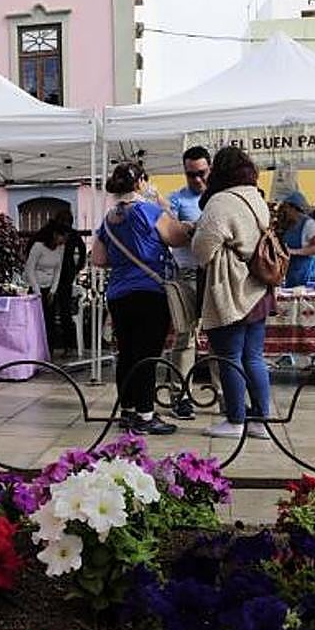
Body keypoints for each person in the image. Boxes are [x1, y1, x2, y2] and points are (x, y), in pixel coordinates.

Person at [91, 161, 194, 436]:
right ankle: (145, 416)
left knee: (126, 353)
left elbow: (98, 258)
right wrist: (171, 212)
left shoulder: (108, 219)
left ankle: (127, 411)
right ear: (140, 183)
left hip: (118, 294)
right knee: (147, 355)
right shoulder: (149, 211)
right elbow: (176, 237)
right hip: (150, 291)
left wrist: (123, 261)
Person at [191, 147, 273, 439]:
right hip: (258, 287)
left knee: (229, 357)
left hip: (231, 288)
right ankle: (261, 421)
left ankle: (236, 420)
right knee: (254, 357)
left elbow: (202, 250)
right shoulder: (256, 196)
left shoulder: (221, 201)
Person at [167, 145, 211, 416]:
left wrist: (193, 229)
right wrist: (190, 230)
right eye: (190, 174)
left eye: (201, 173)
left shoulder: (219, 198)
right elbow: (170, 233)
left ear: (210, 169)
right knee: (185, 336)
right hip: (188, 273)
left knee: (220, 338)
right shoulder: (177, 199)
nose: (196, 179)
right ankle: (180, 396)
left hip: (215, 274)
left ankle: (226, 396)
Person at [24, 224, 66, 352]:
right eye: (62, 236)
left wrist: (53, 290)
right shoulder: (38, 247)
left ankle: (49, 349)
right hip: (36, 287)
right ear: (54, 235)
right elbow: (29, 269)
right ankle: (34, 349)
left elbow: (58, 270)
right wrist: (37, 291)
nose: (64, 239)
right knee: (36, 321)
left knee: (49, 321)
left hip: (50, 288)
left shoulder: (60, 248)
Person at [276, 191, 315, 289]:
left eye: (286, 208)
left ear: (293, 208)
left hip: (311, 275)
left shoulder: (310, 225)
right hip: (294, 275)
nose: (284, 211)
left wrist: (294, 251)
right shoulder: (290, 226)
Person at [50, 209, 86, 355]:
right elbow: (83, 251)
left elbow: (82, 251)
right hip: (67, 272)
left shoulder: (55, 233)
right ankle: (68, 346)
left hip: (55, 271)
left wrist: (77, 267)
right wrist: (77, 267)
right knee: (65, 310)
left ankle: (53, 345)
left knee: (53, 310)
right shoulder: (74, 234)